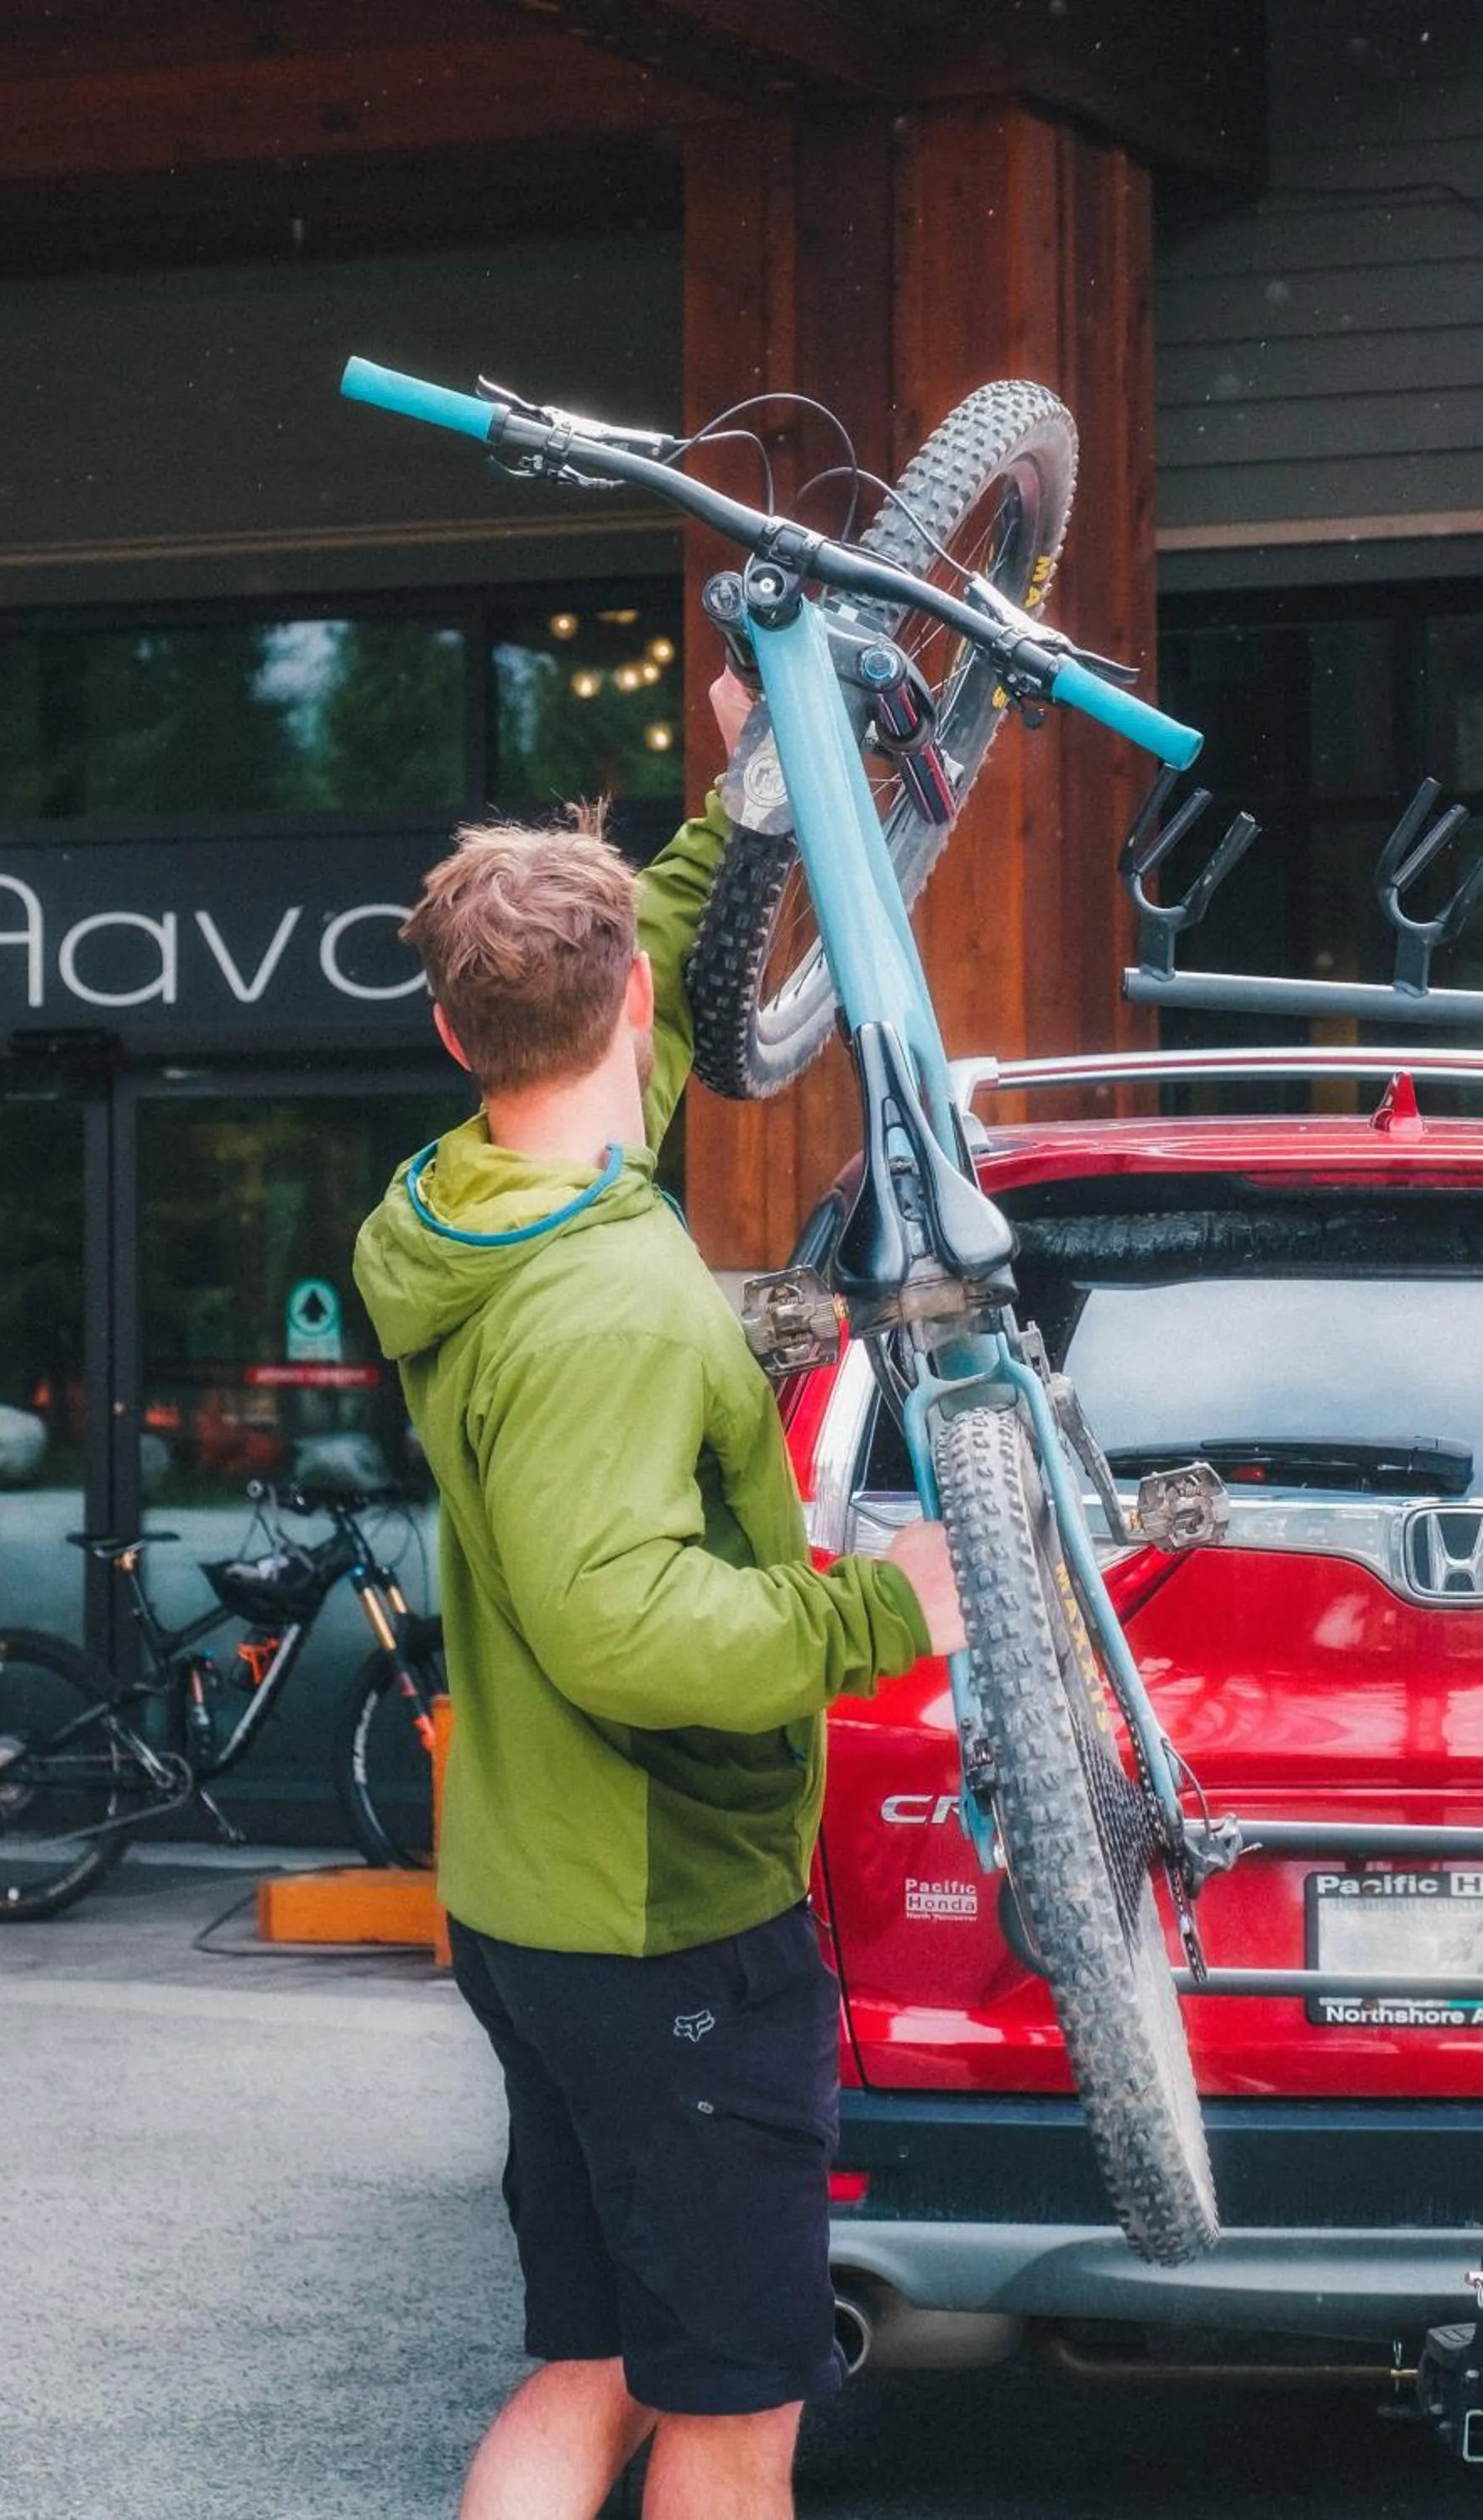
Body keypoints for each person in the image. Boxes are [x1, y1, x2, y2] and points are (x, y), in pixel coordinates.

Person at [353, 674, 966, 2520]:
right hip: (666, 1932)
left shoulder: (483, 1199)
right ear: (624, 1009)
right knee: (728, 2413)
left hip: (541, 1906)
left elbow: (666, 948)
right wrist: (884, 1605)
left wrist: (745, 791)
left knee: (601, 2362)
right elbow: (625, 1623)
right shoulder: (610, 1302)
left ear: (465, 1038)